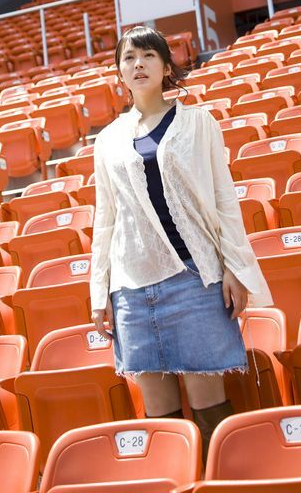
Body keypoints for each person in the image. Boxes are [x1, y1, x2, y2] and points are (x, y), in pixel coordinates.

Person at [90, 25, 273, 462]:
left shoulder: (197, 122)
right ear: (119, 72)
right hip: (133, 287)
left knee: (208, 401)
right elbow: (106, 220)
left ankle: (220, 483)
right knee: (160, 416)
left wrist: (234, 268)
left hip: (194, 279)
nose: (138, 65)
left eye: (149, 56)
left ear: (166, 66)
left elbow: (224, 198)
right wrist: (101, 293)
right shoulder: (107, 139)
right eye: (129, 58)